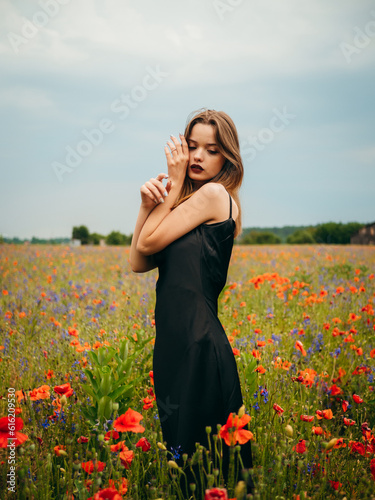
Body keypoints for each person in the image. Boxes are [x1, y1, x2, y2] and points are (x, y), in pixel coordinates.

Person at [130, 109, 253, 494]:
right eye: (192, 146)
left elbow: (149, 243)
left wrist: (174, 180)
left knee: (208, 472)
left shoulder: (215, 195)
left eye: (211, 149)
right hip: (173, 345)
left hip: (200, 345)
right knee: (186, 466)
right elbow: (138, 261)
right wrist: (147, 204)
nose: (198, 156)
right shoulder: (187, 202)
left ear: (227, 158)